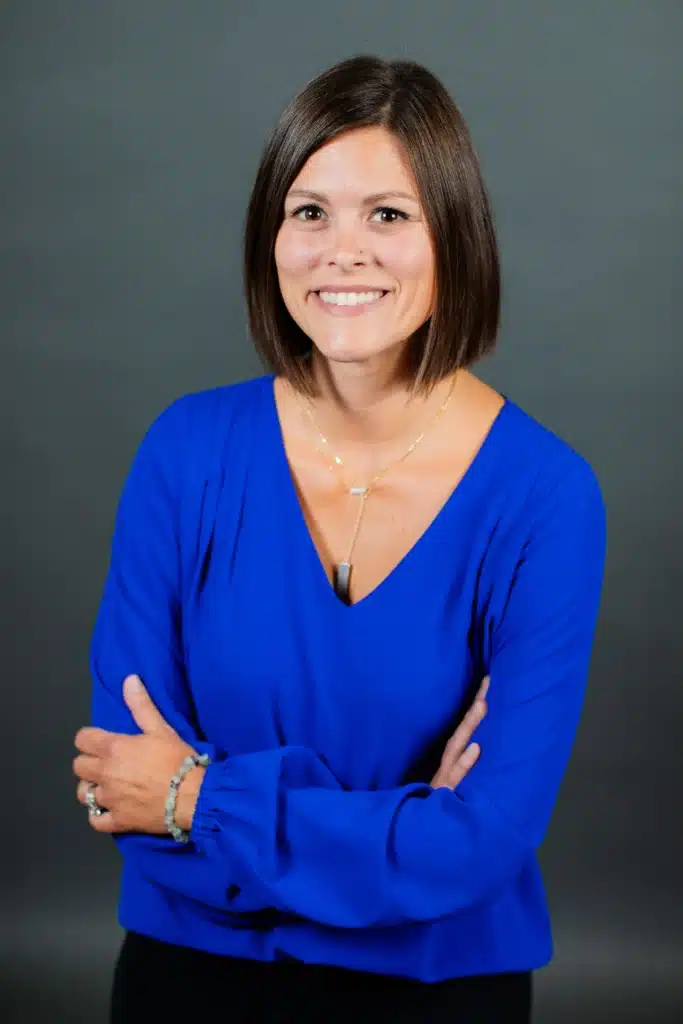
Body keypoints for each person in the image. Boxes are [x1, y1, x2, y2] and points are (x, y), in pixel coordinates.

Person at [72, 54, 607, 1023]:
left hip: (437, 991)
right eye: (307, 211)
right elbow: (123, 788)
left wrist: (198, 795)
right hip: (189, 984)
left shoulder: (546, 497)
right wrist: (400, 825)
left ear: (454, 236)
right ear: (269, 236)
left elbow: (483, 840)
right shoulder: (183, 454)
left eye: (387, 215)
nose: (339, 250)